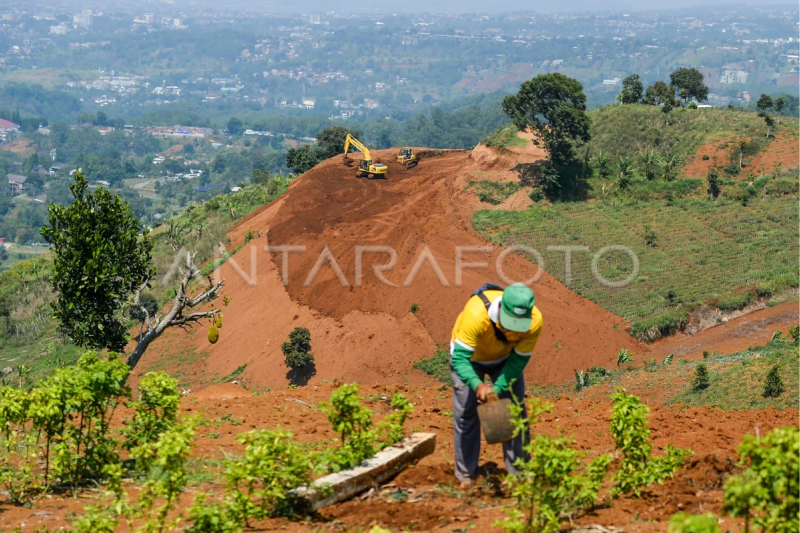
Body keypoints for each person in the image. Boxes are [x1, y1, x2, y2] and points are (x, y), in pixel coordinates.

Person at [450, 282, 543, 484]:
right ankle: (466, 475)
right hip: (470, 359)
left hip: (505, 360)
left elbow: (518, 361)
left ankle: (520, 474)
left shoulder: (535, 320)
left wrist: (498, 389)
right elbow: (459, 359)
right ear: (500, 308)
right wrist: (478, 385)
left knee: (515, 412)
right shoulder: (475, 314)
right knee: (467, 414)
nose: (515, 331)